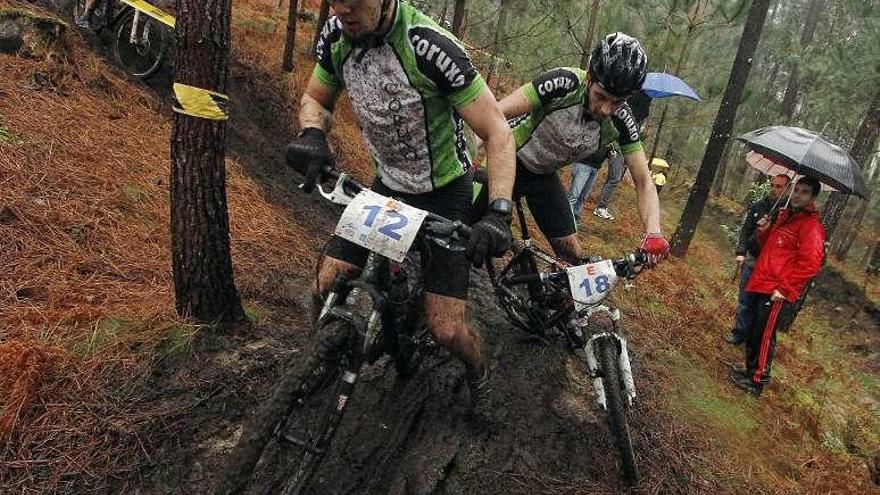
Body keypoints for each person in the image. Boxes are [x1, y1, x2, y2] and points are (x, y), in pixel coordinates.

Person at [290, 0, 516, 411]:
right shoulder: (337, 34)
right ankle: (319, 359)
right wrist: (312, 134)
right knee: (326, 282)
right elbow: (316, 99)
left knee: (446, 329)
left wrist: (498, 212)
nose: (343, 10)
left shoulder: (430, 47)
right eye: (336, 0)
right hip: (388, 185)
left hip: (446, 192)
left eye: (355, 0)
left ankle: (477, 373)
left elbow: (498, 131)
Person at [474, 32, 668, 265]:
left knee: (574, 262)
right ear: (590, 79)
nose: (606, 109)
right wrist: (467, 154)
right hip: (507, 162)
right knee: (463, 235)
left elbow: (644, 182)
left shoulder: (622, 120)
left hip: (543, 177)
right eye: (601, 96)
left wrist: (653, 232)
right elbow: (495, 114)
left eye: (617, 102)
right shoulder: (564, 83)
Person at [729, 176, 825, 396]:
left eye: (804, 192)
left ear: (813, 197)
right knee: (754, 329)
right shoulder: (784, 216)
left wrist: (785, 289)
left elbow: (810, 264)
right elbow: (768, 247)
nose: (798, 195)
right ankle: (750, 370)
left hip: (776, 290)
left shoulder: (811, 227)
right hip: (762, 279)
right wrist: (764, 230)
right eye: (797, 190)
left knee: (764, 335)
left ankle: (757, 381)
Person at [725, 174, 791, 345]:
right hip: (752, 258)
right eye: (773, 185)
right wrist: (741, 251)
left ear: (788, 189)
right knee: (745, 299)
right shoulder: (759, 206)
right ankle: (739, 333)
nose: (774, 189)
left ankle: (753, 339)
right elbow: (746, 230)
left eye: (779, 186)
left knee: (761, 305)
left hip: (771, 266)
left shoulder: (789, 213)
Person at [593, 90, 651, 220]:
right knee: (614, 177)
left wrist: (643, 135)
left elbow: (635, 137)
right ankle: (601, 206)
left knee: (611, 177)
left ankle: (601, 205)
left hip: (621, 148)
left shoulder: (638, 114)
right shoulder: (628, 108)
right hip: (616, 147)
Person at [566, 144, 619, 225]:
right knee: (574, 195)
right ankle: (566, 219)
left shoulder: (608, 140)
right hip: (583, 164)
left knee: (583, 196)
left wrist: (610, 152)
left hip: (596, 167)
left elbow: (608, 152)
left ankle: (576, 219)